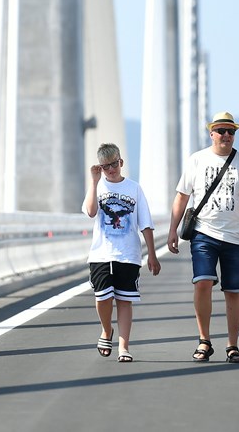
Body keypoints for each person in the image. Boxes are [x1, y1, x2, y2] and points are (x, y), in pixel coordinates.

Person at [167, 111, 239, 363]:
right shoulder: (197, 160)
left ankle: (233, 345)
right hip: (204, 233)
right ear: (211, 134)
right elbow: (182, 196)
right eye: (221, 131)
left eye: (231, 131)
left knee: (233, 291)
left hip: (236, 237)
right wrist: (173, 230)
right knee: (203, 282)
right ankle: (204, 340)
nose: (226, 135)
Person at [83, 143, 160, 363]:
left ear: (121, 162)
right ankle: (106, 330)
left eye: (114, 164)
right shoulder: (97, 187)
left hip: (128, 254)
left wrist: (152, 254)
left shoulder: (134, 188)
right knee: (103, 297)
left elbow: (145, 223)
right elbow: (91, 212)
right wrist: (94, 181)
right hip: (101, 253)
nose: (111, 169)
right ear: (100, 167)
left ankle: (123, 347)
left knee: (124, 300)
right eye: (105, 166)